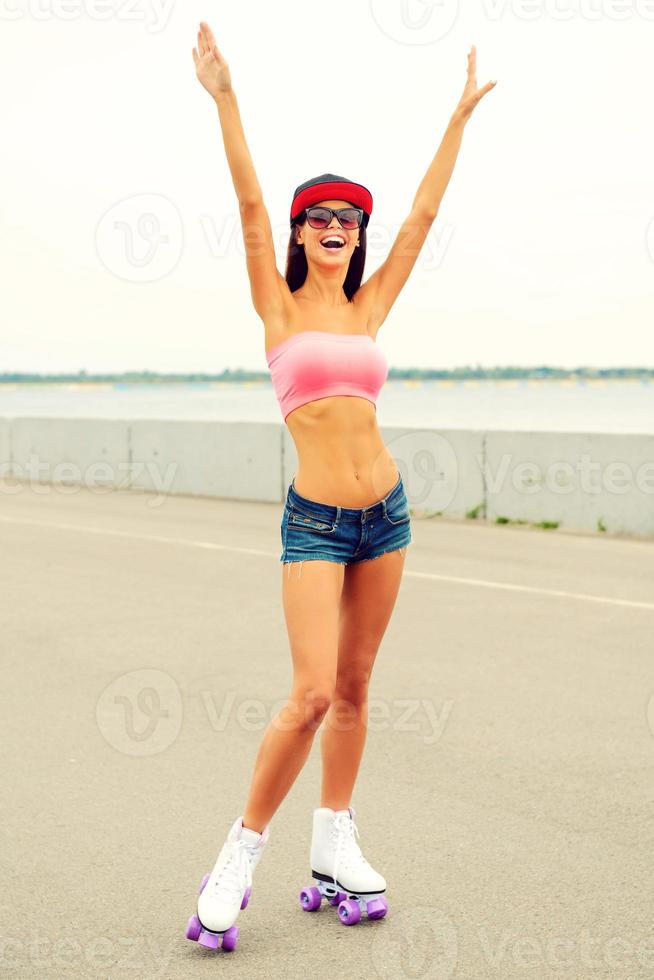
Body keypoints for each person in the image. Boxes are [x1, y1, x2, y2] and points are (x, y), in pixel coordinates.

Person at [186, 20, 496, 952]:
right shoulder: (276, 307)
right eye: (320, 218)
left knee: (357, 685)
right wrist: (225, 97)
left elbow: (423, 220)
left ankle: (334, 839)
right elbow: (245, 201)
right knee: (313, 690)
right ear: (299, 233)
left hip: (387, 517)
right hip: (317, 524)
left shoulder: (370, 304)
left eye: (347, 220)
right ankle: (241, 851)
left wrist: (458, 116)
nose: (335, 229)